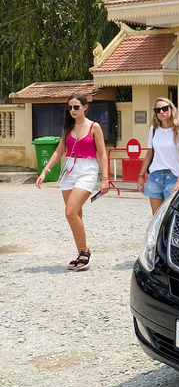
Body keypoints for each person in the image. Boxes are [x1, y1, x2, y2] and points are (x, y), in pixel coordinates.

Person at [34, 93, 110, 271]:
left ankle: (85, 251)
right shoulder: (67, 128)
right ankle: (80, 253)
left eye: (76, 107)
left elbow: (103, 154)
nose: (73, 110)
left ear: (85, 107)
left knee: (70, 211)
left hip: (87, 170)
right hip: (69, 170)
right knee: (76, 215)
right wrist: (45, 171)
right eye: (70, 107)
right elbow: (59, 151)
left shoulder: (94, 126)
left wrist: (105, 179)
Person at [137, 98, 179, 214]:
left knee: (170, 214)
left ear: (171, 109)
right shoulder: (154, 130)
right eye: (158, 110)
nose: (162, 112)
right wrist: (141, 175)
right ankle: (158, 233)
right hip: (155, 175)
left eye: (165, 109)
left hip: (173, 175)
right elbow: (149, 154)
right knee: (156, 216)